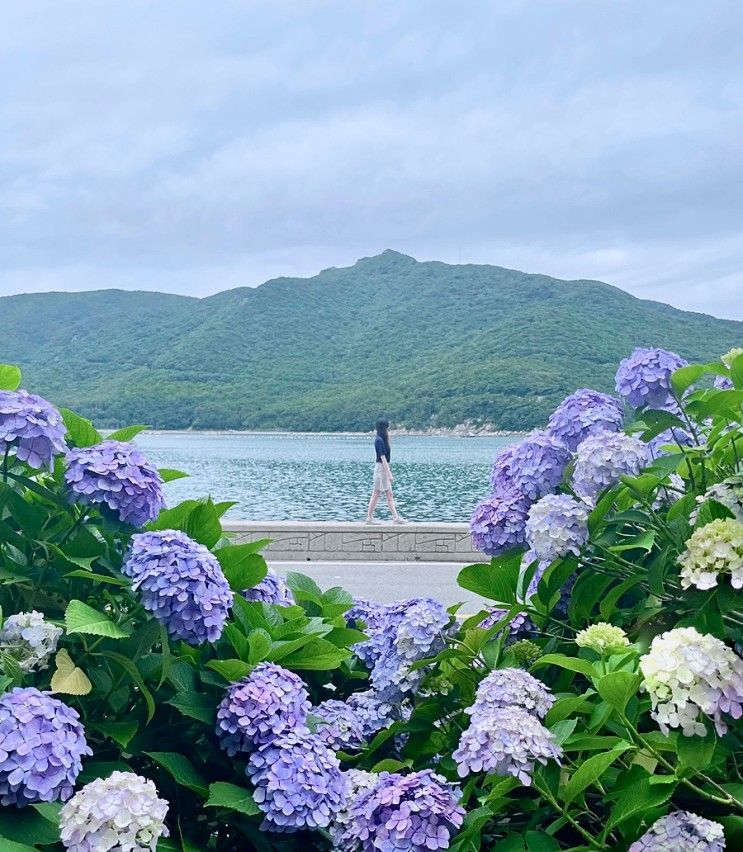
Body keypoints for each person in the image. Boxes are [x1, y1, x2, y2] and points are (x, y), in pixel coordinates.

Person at [365, 417, 406, 524]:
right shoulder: (379, 440)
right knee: (376, 494)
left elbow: (386, 459)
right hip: (380, 469)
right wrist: (389, 474)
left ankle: (395, 517)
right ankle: (369, 518)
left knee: (388, 494)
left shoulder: (382, 439)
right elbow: (382, 458)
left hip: (383, 468)